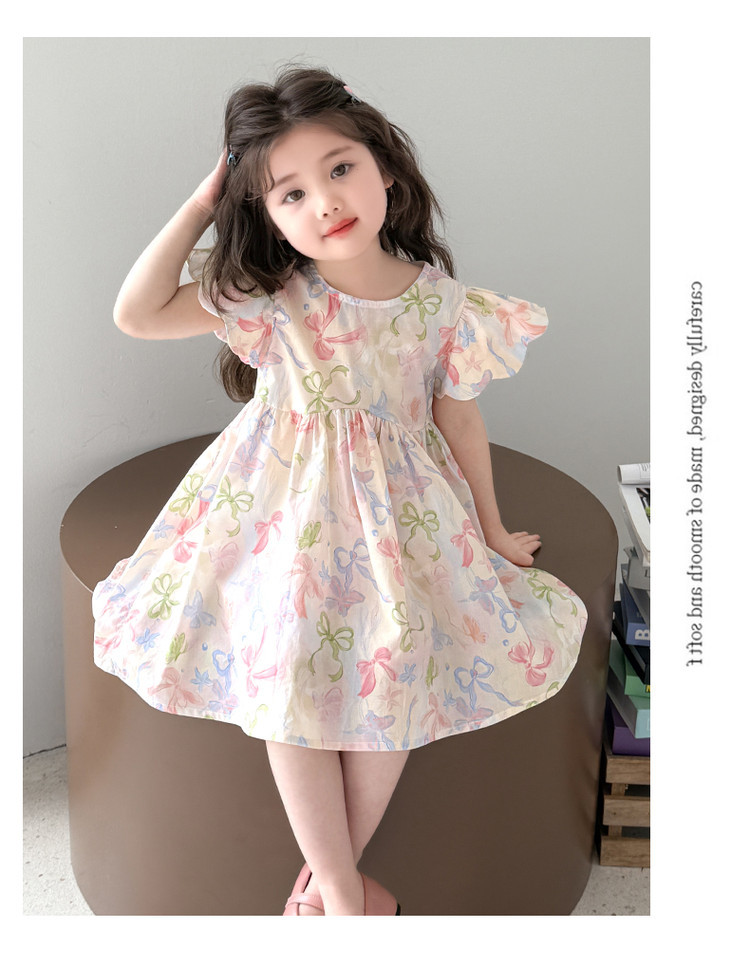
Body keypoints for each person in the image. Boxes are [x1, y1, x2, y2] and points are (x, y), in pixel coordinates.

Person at [92, 65, 587, 916]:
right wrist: (204, 204)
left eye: (340, 169)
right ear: (266, 214)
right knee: (287, 673)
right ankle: (349, 906)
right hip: (280, 509)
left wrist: (493, 532)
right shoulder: (272, 295)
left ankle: (330, 892)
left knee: (394, 668)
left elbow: (459, 422)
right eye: (290, 193)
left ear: (385, 169)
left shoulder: (445, 307)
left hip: (400, 517)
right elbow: (136, 314)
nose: (324, 202)